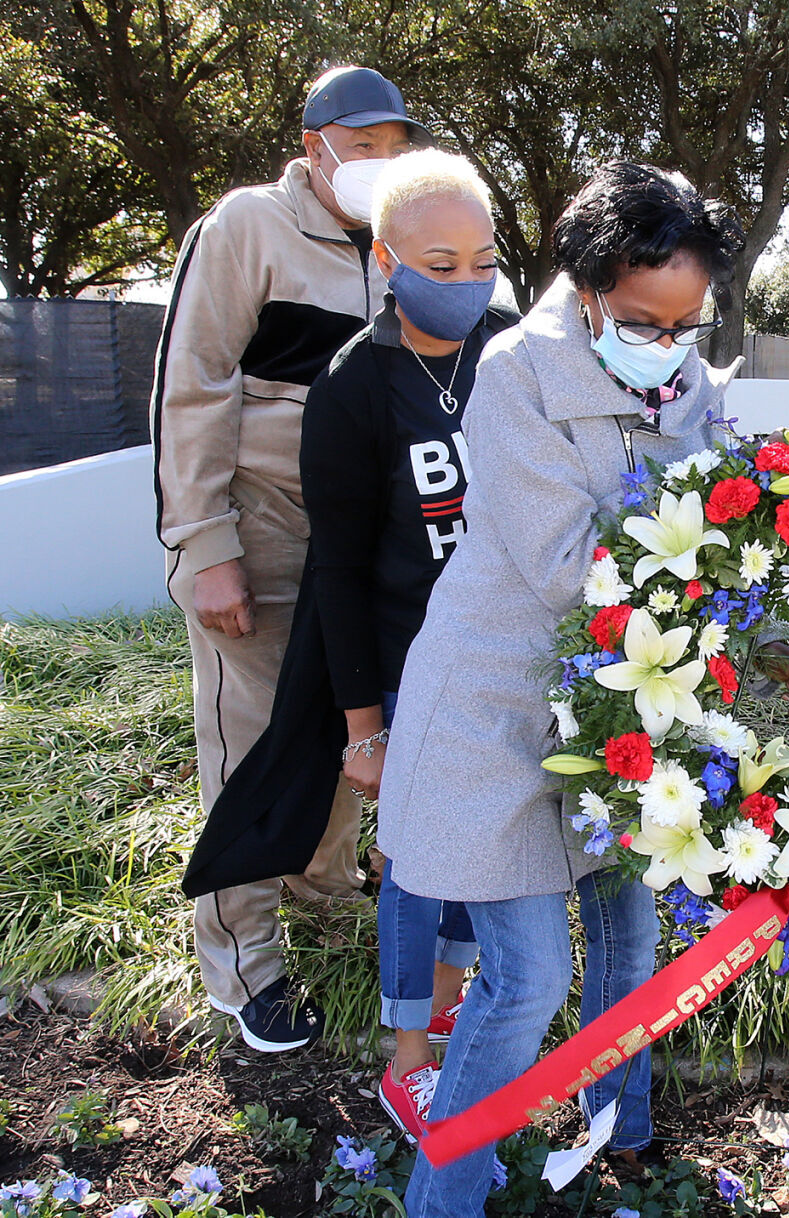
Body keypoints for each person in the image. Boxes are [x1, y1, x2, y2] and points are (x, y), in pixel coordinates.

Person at [377, 162, 789, 1215]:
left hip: (634, 710)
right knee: (529, 977)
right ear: (587, 292)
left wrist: (771, 647)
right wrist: (721, 608)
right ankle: (442, 1193)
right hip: (499, 706)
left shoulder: (693, 384)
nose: (669, 346)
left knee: (631, 940)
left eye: (688, 323)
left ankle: (619, 1134)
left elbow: (734, 536)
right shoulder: (517, 373)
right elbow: (572, 566)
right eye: (643, 320)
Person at [151, 65, 426, 1052]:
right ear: (313, 147)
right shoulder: (243, 229)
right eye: (362, 147)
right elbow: (192, 385)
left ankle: (325, 903)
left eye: (395, 149)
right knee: (253, 741)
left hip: (359, 537)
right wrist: (203, 545)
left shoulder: (400, 244)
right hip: (259, 523)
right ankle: (242, 965)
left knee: (346, 724)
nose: (379, 165)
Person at [293, 149, 517, 1138]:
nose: (468, 283)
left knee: (491, 850)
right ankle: (408, 1060)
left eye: (483, 261)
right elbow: (335, 567)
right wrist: (361, 729)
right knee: (420, 870)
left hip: (510, 660)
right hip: (409, 666)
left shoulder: (511, 352)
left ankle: (455, 1005)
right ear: (387, 259)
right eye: (441, 261)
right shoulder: (353, 384)